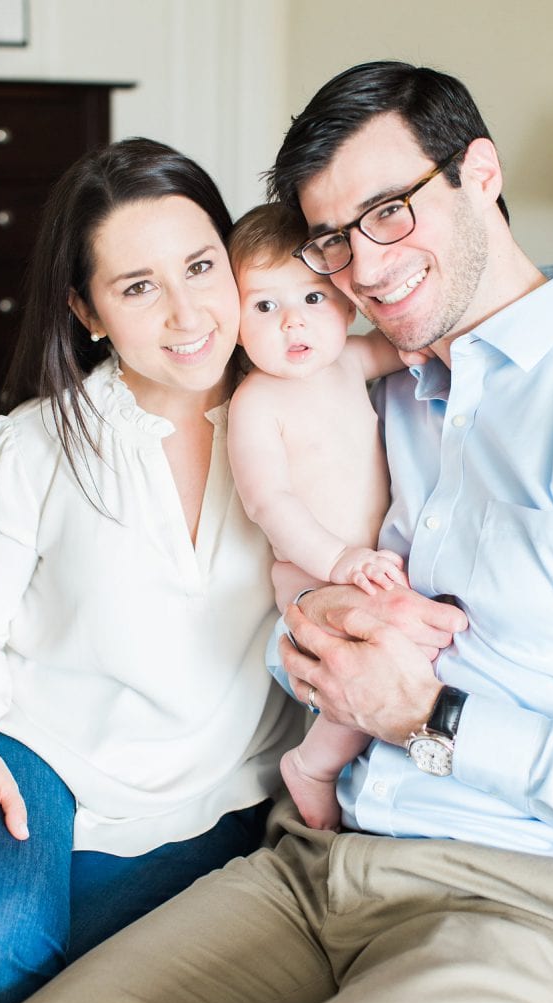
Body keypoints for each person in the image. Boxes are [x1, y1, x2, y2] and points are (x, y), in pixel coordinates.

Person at [1, 60, 553, 1003]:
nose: (362, 266)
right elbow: (294, 645)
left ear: (480, 174)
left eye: (390, 211)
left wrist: (430, 719)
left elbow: (420, 710)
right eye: (331, 239)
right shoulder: (379, 389)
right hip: (318, 866)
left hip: (531, 903)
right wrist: (308, 629)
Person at [0, 137, 305, 1003]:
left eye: (201, 266)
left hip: (221, 783)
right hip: (35, 758)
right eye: (138, 287)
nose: (187, 314)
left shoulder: (303, 417)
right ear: (86, 312)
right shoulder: (33, 445)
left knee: (77, 988)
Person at [227, 201, 409, 829]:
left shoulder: (349, 362)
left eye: (311, 297)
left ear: (346, 298)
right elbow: (268, 502)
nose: (292, 324)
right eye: (264, 306)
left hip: (370, 565)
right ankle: (315, 765)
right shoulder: (255, 403)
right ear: (233, 321)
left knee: (398, 652)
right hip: (311, 574)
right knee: (353, 662)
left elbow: (408, 346)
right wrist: (338, 559)